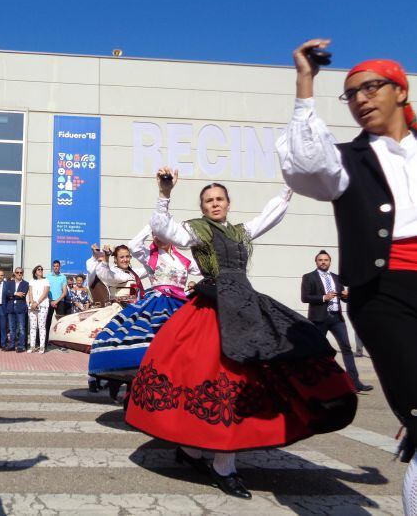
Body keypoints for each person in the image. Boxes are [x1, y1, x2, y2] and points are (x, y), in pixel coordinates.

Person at [126, 168, 357, 500]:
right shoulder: (197, 230)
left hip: (246, 305)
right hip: (213, 307)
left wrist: (289, 189)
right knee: (222, 379)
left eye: (219, 199)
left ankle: (199, 454)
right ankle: (217, 463)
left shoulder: (240, 231)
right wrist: (164, 193)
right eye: (208, 200)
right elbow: (164, 229)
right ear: (203, 207)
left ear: (228, 203)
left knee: (251, 375)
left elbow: (268, 217)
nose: (214, 204)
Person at [276, 39, 417, 514]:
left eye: (371, 87)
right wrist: (305, 82)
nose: (360, 99)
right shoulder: (345, 161)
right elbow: (304, 165)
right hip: (385, 290)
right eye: (351, 93)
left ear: (400, 91)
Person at [89, 221, 201, 390]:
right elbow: (107, 273)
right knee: (132, 340)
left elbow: (203, 268)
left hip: (178, 303)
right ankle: (110, 381)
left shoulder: (181, 259)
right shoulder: (148, 258)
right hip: (139, 306)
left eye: (127, 257)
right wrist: (153, 224)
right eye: (122, 257)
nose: (126, 259)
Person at [301, 250, 372, 392]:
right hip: (319, 318)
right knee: (316, 351)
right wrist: (323, 297)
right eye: (320, 260)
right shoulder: (309, 277)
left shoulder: (337, 278)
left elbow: (343, 297)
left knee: (346, 348)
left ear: (330, 262)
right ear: (316, 262)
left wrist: (346, 295)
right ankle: (314, 383)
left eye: (326, 260)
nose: (323, 262)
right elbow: (305, 297)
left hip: (336, 318)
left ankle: (355, 382)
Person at [44, 260, 68, 347]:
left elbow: (65, 292)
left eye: (57, 266)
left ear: (59, 266)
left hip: (60, 301)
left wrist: (56, 301)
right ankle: (45, 342)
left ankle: (60, 345)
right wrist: (51, 301)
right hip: (49, 301)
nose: (55, 267)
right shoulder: (47, 276)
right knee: (47, 322)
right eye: (54, 266)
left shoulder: (63, 277)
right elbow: (45, 290)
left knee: (60, 323)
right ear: (52, 267)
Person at [5, 267, 29, 352]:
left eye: (21, 272)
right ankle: (11, 345)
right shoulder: (9, 283)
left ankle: (21, 346)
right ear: (14, 273)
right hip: (11, 307)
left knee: (21, 328)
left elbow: (23, 294)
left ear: (22, 274)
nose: (19, 274)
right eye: (17, 272)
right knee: (12, 328)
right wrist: (15, 293)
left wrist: (12, 294)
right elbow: (6, 293)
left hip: (20, 307)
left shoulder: (26, 284)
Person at [27, 265, 50, 353]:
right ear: (35, 272)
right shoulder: (32, 281)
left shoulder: (46, 280)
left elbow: (45, 293)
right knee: (33, 327)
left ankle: (42, 346)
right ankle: (32, 346)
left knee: (41, 326)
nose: (40, 270)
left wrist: (37, 302)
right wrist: (32, 303)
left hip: (43, 305)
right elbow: (30, 293)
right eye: (38, 269)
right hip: (32, 306)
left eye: (41, 269)